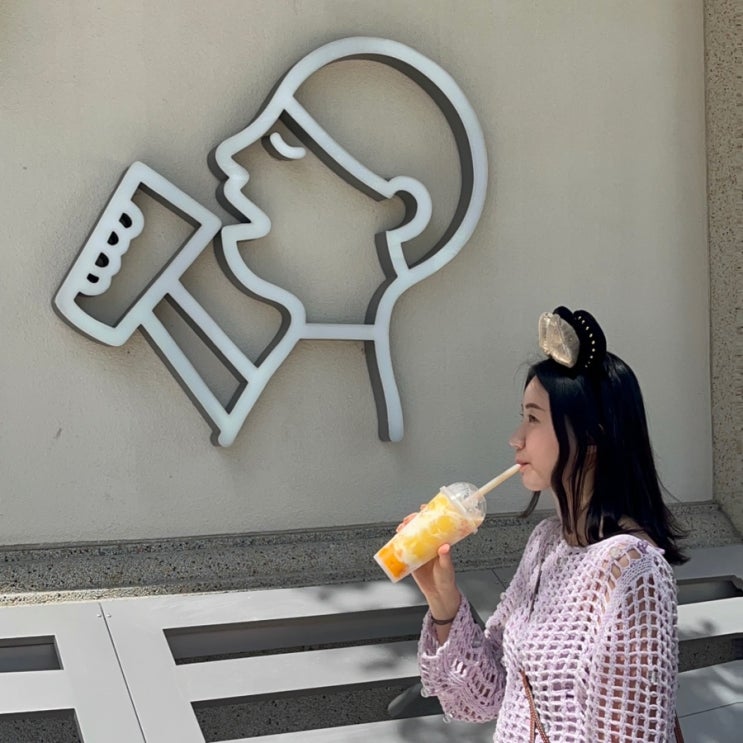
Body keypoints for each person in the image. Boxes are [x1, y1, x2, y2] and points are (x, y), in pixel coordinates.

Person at [411, 306, 687, 742]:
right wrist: (442, 598)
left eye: (534, 418)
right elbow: (486, 697)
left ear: (592, 436)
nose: (516, 438)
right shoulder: (547, 543)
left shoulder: (632, 572)